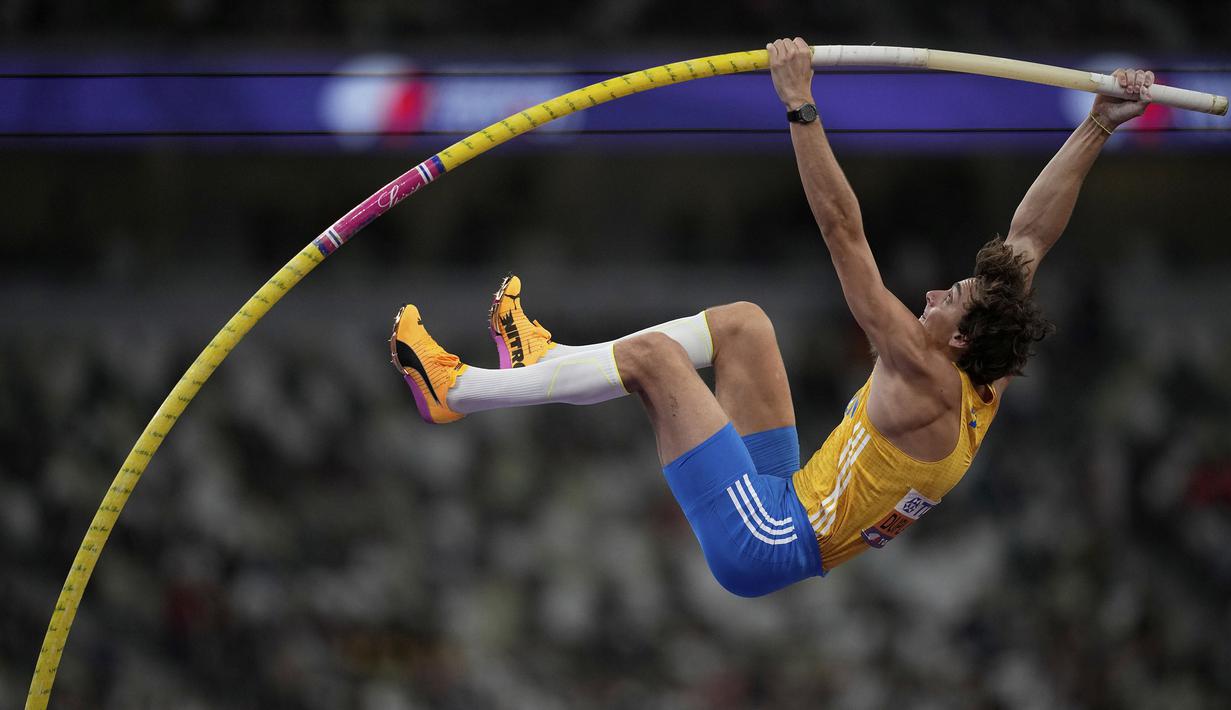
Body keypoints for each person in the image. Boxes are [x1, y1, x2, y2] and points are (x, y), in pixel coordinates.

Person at [388, 37, 1155, 597]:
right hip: (784, 494)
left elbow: (842, 233)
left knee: (656, 362)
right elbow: (1028, 236)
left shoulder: (921, 374)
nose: (930, 295)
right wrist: (1096, 126)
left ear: (954, 339)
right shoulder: (982, 371)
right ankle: (546, 356)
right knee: (744, 325)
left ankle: (457, 393)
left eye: (944, 301)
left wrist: (798, 104)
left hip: (770, 543)